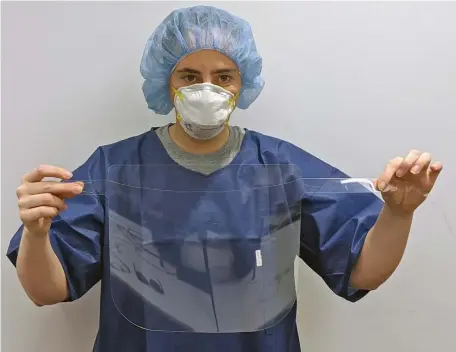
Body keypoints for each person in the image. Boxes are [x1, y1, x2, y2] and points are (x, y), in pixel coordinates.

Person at [7, 5, 442, 352]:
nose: (207, 90)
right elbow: (48, 291)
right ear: (167, 81)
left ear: (242, 84)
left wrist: (398, 215)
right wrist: (37, 234)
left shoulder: (280, 168)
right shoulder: (115, 169)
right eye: (190, 76)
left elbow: (362, 270)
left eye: (224, 77)